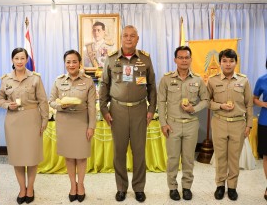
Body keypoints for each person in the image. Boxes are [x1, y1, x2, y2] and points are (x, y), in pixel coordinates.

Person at [99, 25, 157, 203]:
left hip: (140, 110)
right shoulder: (111, 59)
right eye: (126, 36)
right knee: (119, 152)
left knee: (139, 151)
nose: (129, 39)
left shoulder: (145, 60)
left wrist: (150, 110)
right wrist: (104, 109)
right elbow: (104, 86)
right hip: (118, 111)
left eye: (133, 36)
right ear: (121, 38)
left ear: (137, 39)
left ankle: (139, 188)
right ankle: (121, 188)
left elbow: (152, 87)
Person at [0, 48, 48, 204]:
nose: (19, 61)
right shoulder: (6, 79)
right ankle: (22, 189)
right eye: (16, 58)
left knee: (32, 158)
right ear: (12, 60)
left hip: (32, 120)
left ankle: (30, 188)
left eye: (22, 58)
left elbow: (43, 101)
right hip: (13, 122)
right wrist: (7, 104)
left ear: (27, 60)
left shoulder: (35, 78)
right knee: (17, 158)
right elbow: (0, 98)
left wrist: (44, 119)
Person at [158, 46, 209, 201]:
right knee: (173, 159)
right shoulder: (166, 79)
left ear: (191, 59)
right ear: (175, 60)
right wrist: (163, 123)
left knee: (188, 158)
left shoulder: (198, 79)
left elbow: (206, 100)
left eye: (186, 57)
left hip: (191, 124)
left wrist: (194, 108)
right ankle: (172, 188)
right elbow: (161, 102)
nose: (184, 60)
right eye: (180, 57)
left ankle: (187, 187)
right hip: (172, 124)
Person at [49, 50, 96, 203]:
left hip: (81, 122)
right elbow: (51, 101)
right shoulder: (58, 80)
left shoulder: (88, 81)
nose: (71, 65)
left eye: (74, 61)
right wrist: (61, 105)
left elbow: (91, 106)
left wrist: (91, 126)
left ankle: (81, 185)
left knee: (81, 156)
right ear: (65, 63)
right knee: (69, 156)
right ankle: (72, 186)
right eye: (68, 62)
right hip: (64, 123)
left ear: (79, 63)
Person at [207, 49, 253, 201]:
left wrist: (248, 125)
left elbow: (249, 104)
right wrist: (220, 106)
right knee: (221, 157)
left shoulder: (243, 80)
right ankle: (220, 186)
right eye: (225, 61)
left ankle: (232, 187)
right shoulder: (212, 80)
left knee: (234, 158)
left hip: (238, 124)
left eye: (231, 61)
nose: (228, 64)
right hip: (219, 121)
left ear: (235, 63)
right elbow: (207, 102)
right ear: (220, 62)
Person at [253, 58, 267, 201]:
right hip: (265, 122)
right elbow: (254, 99)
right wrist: (263, 103)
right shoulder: (262, 80)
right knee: (266, 157)